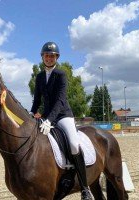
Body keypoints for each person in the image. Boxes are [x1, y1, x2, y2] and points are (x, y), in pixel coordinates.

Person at [30, 42, 94, 200]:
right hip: (46, 117)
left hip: (63, 116)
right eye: (47, 55)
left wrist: (49, 120)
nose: (49, 58)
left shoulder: (61, 74)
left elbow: (60, 100)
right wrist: (32, 113)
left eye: (52, 56)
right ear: (43, 57)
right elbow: (37, 99)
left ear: (56, 57)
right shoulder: (39, 77)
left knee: (73, 143)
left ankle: (85, 188)